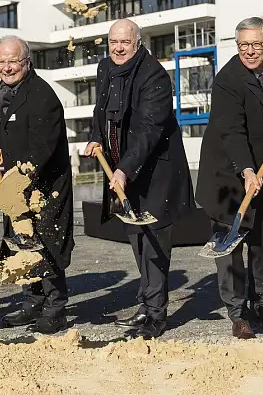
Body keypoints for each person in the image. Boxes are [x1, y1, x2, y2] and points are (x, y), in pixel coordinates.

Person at [84, 19, 196, 340]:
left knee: (155, 242)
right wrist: (95, 138)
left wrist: (124, 168)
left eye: (125, 42)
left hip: (154, 171)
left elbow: (149, 130)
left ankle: (156, 317)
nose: (118, 48)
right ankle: (146, 305)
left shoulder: (155, 76)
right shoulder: (105, 67)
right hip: (124, 169)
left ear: (138, 42)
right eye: (113, 42)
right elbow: (100, 110)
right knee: (136, 237)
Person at [196, 16, 263, 340]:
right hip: (227, 173)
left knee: (262, 241)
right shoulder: (227, 79)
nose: (250, 51)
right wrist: (246, 171)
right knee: (230, 248)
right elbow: (231, 131)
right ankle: (238, 313)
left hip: (260, 170)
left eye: (256, 45)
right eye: (243, 45)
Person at [0, 36, 75, 335]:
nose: (7, 68)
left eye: (13, 61)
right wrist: (0, 149)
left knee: (45, 244)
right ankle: (32, 303)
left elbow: (42, 147)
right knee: (22, 241)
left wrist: (20, 182)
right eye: (1, 62)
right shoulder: (10, 91)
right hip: (18, 183)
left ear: (26, 61)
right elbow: (13, 129)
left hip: (45, 186)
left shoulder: (41, 94)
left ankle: (55, 309)